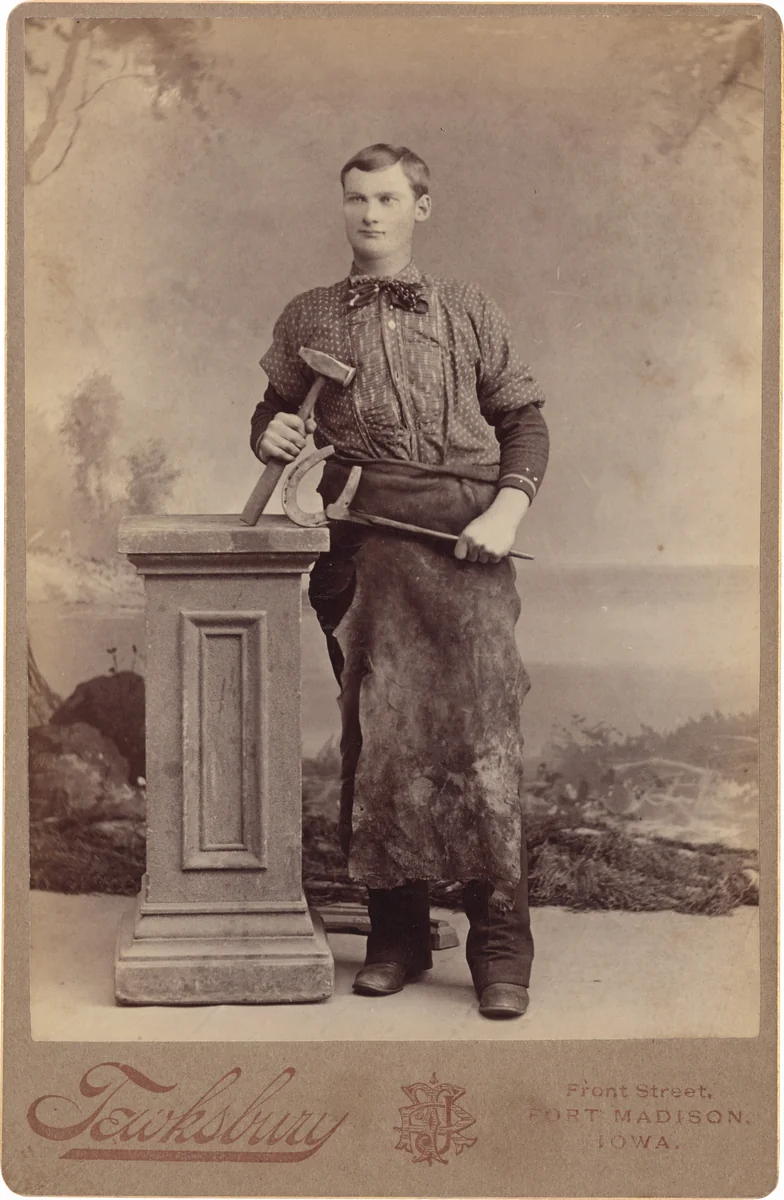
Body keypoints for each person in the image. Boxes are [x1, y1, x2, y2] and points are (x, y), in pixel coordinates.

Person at [250, 144, 549, 1019]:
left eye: (387, 198)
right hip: (356, 543)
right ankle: (397, 933)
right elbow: (272, 411)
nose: (369, 214)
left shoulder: (466, 307)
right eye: (355, 199)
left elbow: (525, 420)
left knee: (480, 739)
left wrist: (506, 514)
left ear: (422, 206)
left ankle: (501, 945)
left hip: (465, 541)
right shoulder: (308, 314)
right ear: (341, 208)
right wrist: (270, 433)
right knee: (375, 738)